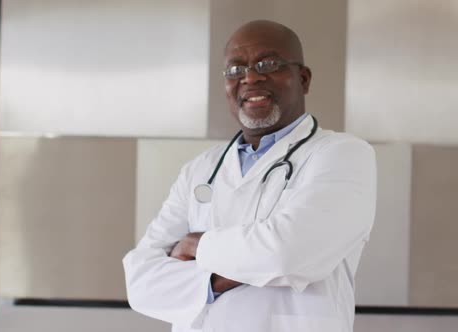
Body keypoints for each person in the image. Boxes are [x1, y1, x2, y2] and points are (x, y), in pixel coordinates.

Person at [123, 20, 376, 332]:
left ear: (303, 78)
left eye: (268, 64)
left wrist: (195, 245)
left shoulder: (342, 154)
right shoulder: (201, 169)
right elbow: (141, 281)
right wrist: (239, 269)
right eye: (236, 69)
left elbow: (290, 252)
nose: (251, 77)